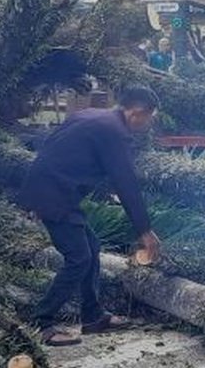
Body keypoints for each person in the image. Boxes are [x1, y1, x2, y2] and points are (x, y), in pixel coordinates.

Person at [19, 85, 163, 346]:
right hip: (55, 194)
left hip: (51, 188)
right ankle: (41, 322)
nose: (149, 124)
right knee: (79, 259)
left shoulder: (90, 116)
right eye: (150, 117)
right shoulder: (114, 132)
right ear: (137, 113)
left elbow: (64, 151)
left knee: (91, 247)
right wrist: (144, 230)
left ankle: (93, 315)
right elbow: (125, 182)